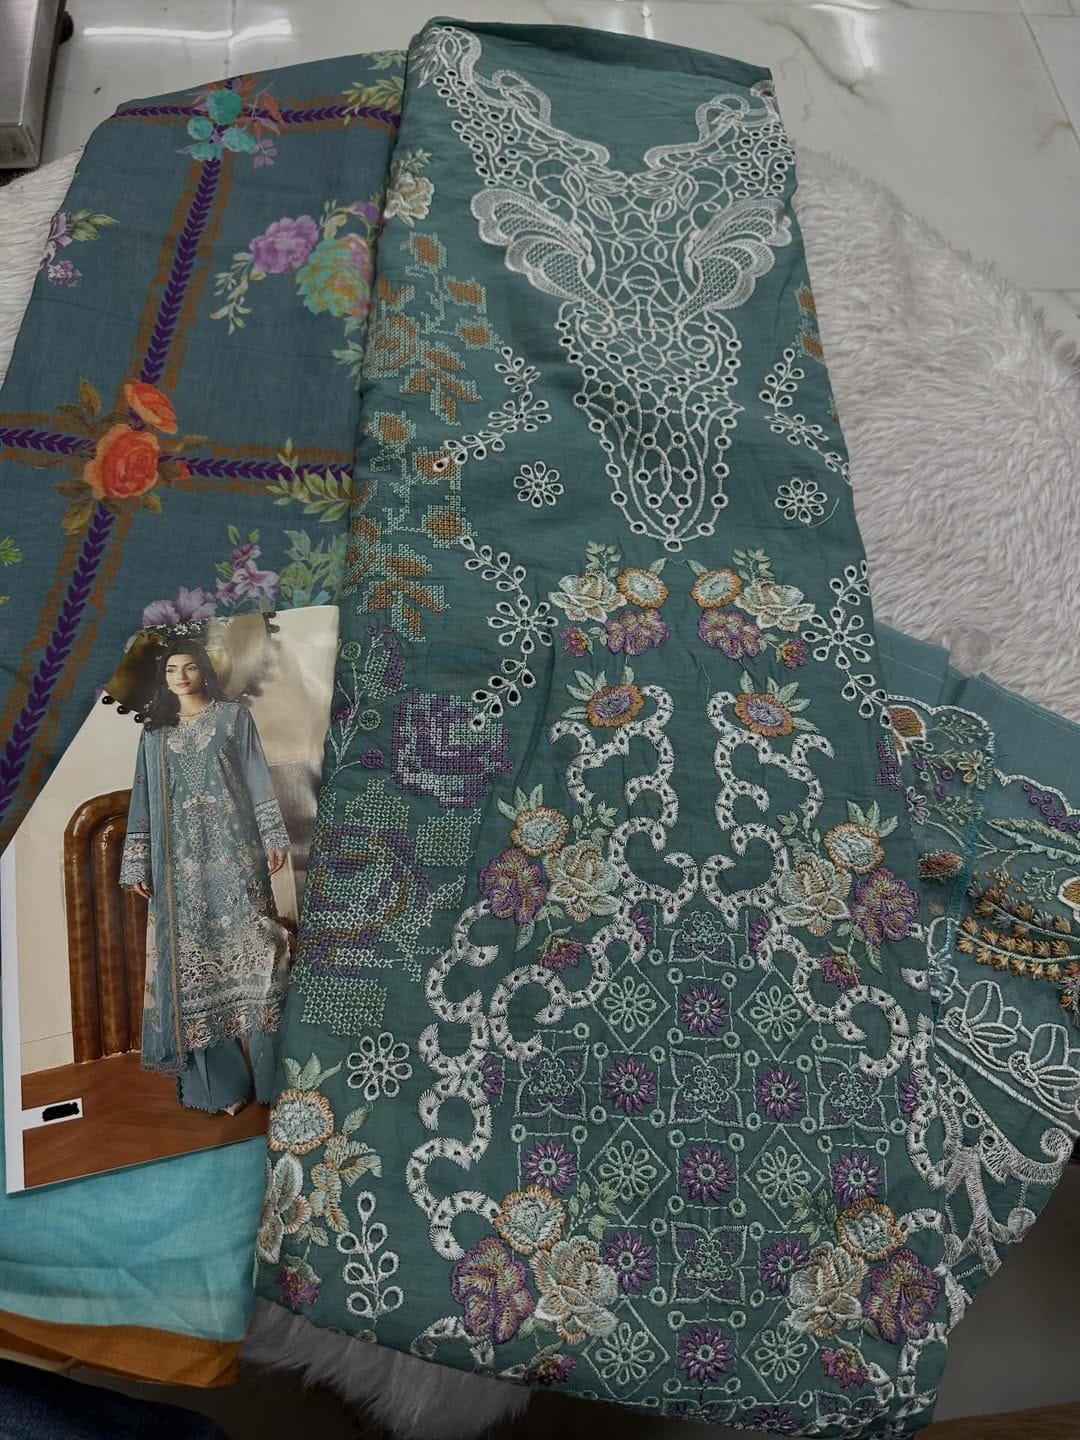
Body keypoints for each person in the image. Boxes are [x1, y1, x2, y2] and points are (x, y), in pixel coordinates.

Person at [119, 639, 292, 1113]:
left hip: (238, 855)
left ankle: (276, 1084)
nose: (180, 676)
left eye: (189, 667)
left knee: (261, 960)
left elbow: (257, 777)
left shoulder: (233, 718)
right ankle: (222, 1091)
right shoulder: (155, 734)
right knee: (195, 971)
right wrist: (138, 860)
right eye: (171, 669)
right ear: (163, 677)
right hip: (180, 869)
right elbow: (143, 798)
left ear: (204, 672)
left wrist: (272, 835)